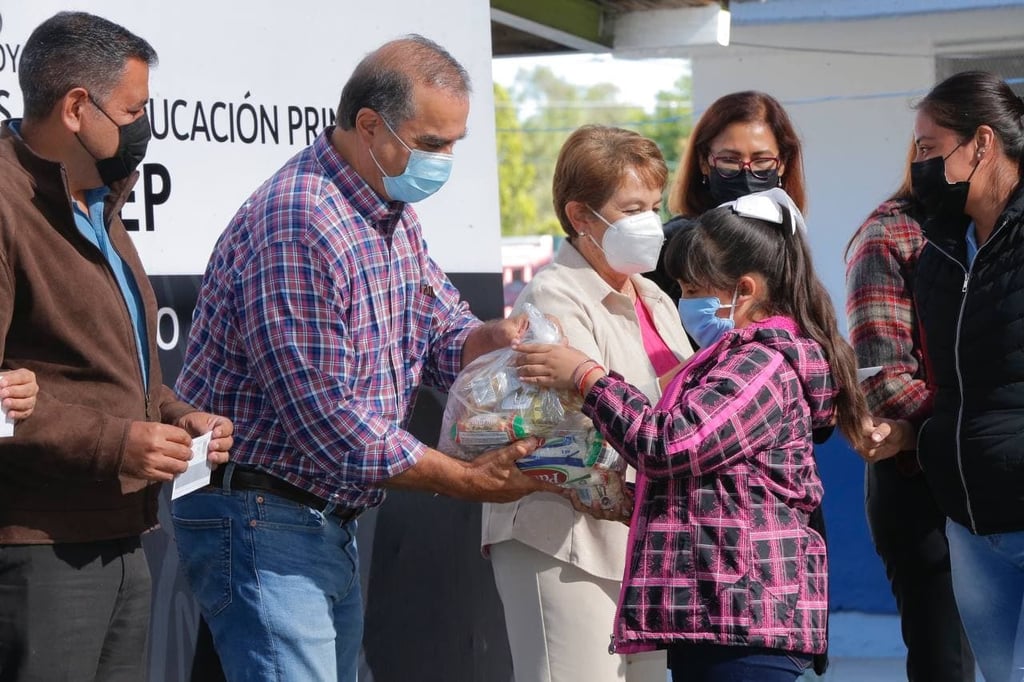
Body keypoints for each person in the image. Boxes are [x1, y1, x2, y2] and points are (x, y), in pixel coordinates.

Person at [171, 35, 558, 682]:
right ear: (371, 126)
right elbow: (324, 418)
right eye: (431, 143)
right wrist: (461, 479)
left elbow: (440, 329)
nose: (444, 161)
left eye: (454, 144)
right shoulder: (300, 220)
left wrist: (490, 341)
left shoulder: (391, 213)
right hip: (264, 515)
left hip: (319, 518)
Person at [517, 188, 869, 682]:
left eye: (693, 288)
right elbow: (707, 477)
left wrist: (587, 378)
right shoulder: (736, 358)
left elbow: (670, 444)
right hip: (717, 615)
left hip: (741, 618)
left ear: (744, 290)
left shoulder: (761, 365)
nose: (685, 302)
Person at [0, 11, 234, 681]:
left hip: (121, 536)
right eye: (134, 110)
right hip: (39, 548)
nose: (145, 126)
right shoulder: (8, 204)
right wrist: (117, 444)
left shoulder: (98, 200)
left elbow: (113, 374)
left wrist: (176, 417)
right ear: (77, 108)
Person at [482, 125, 693, 682]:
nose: (650, 222)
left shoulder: (652, 295)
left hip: (642, 540)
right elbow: (566, 429)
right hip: (564, 539)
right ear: (580, 216)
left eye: (654, 206)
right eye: (632, 209)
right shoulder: (554, 296)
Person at [860, 71, 1024, 682]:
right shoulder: (941, 250)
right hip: (971, 523)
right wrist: (913, 436)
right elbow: (956, 389)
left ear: (981, 144)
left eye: (929, 148)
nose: (918, 165)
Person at [845, 143, 975, 681]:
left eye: (935, 143)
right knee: (947, 660)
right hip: (924, 479)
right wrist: (979, 429)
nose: (926, 155)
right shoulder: (891, 234)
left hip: (997, 468)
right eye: (922, 144)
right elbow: (882, 378)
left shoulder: (1001, 235)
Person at [648, 91, 807, 304]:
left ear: (783, 163)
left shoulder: (788, 237)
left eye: (762, 161)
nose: (746, 173)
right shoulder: (673, 243)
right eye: (730, 160)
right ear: (704, 162)